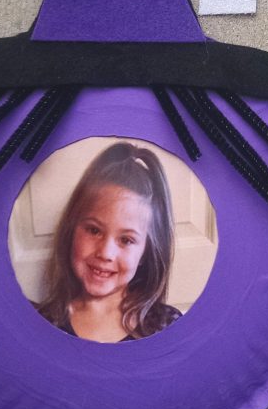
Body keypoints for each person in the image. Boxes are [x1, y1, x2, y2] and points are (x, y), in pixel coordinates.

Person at [34, 142, 181, 342]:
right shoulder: (42, 325)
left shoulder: (168, 328)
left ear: (145, 253)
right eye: (94, 230)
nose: (105, 253)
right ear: (72, 230)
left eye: (126, 240)